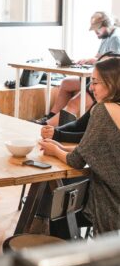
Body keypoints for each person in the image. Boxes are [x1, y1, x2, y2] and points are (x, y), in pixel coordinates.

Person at [39, 57, 120, 234]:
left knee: (58, 212)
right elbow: (95, 149)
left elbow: (76, 161)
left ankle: (70, 259)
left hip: (111, 205)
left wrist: (54, 150)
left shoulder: (103, 110)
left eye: (95, 82)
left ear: (111, 82)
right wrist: (60, 147)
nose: (91, 88)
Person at [40, 12, 120, 126]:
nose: (95, 32)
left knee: (74, 102)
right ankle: (51, 116)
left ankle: (51, 126)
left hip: (108, 81)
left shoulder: (116, 38)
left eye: (98, 29)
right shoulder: (106, 37)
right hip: (100, 77)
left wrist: (94, 61)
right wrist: (87, 60)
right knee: (66, 83)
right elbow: (99, 57)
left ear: (107, 25)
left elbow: (114, 65)